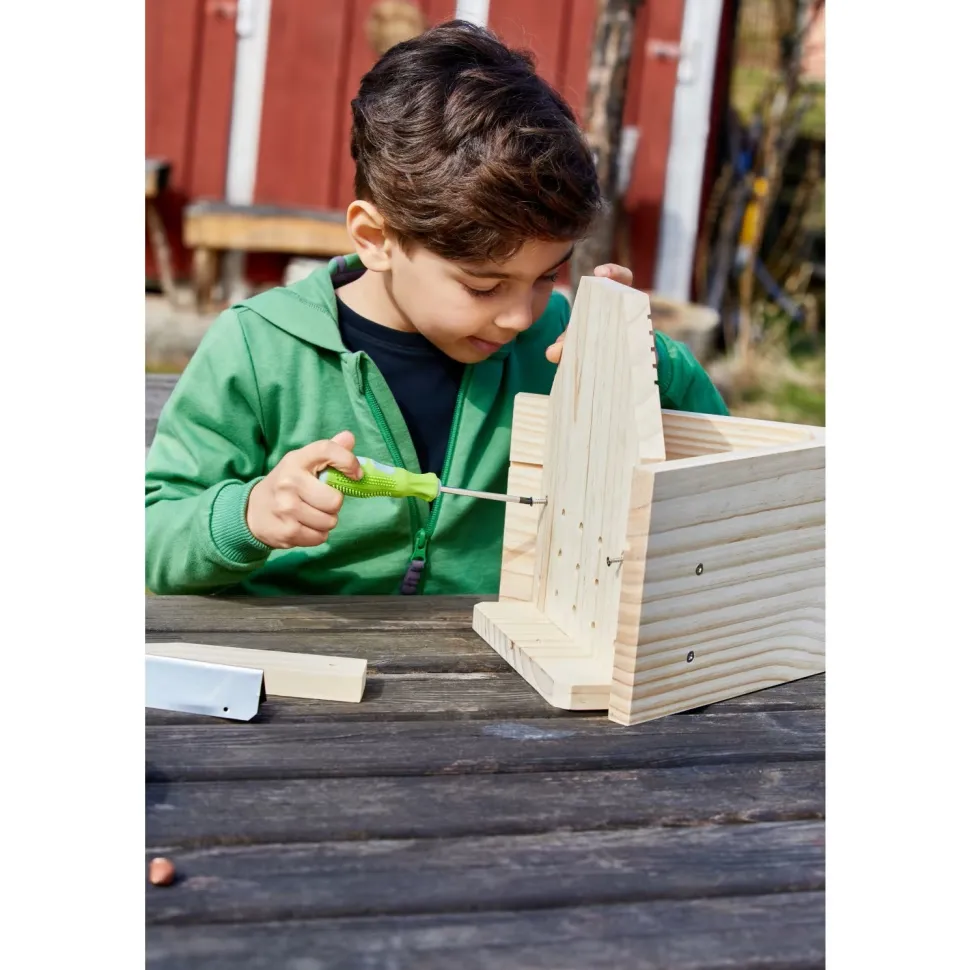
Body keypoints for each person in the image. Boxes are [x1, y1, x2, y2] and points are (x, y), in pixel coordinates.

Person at [145, 20, 728, 597]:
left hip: (493, 653)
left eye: (546, 277)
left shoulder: (560, 348)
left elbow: (723, 461)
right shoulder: (258, 348)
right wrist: (246, 516)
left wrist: (644, 360)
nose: (520, 317)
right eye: (483, 287)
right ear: (375, 239)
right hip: (292, 652)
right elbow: (152, 536)